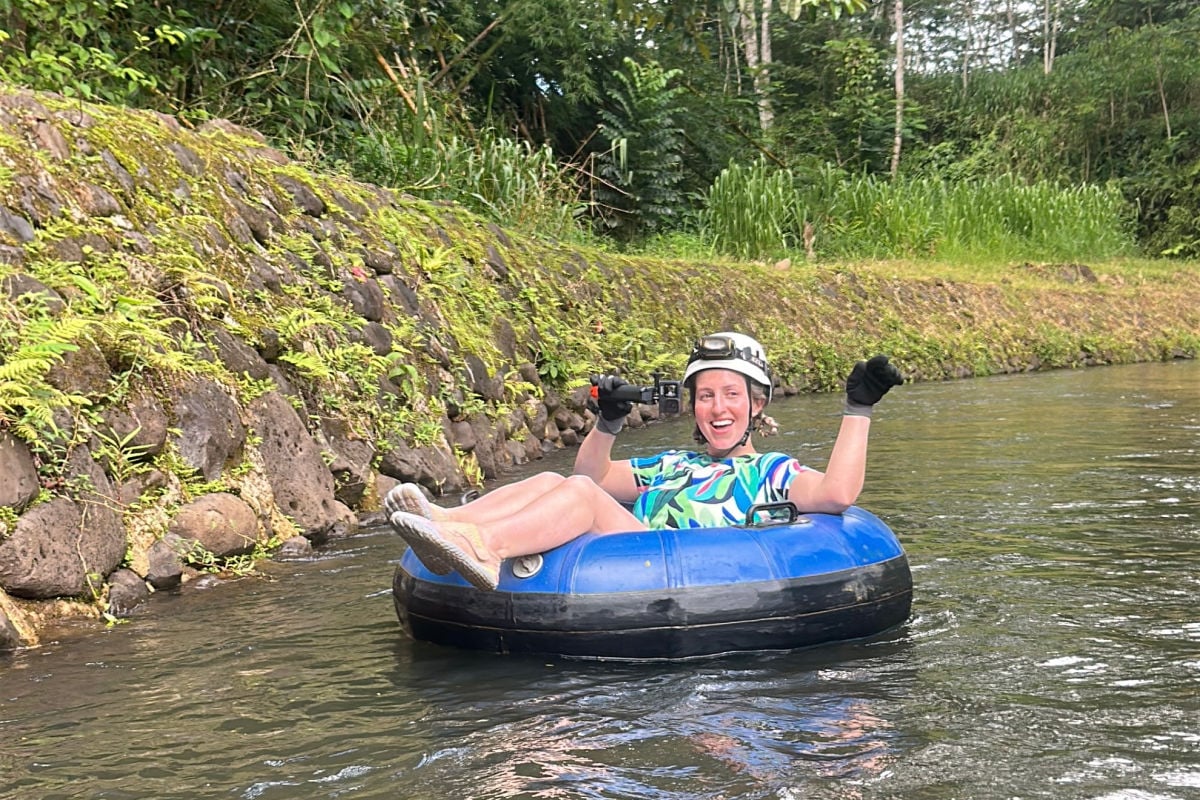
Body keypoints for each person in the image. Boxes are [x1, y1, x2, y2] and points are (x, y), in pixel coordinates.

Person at [386, 332, 903, 591]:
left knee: (582, 496)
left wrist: (857, 409)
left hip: (674, 568)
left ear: (757, 404)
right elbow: (590, 475)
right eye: (705, 396)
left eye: (730, 395)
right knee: (550, 476)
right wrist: (608, 421)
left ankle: (486, 547)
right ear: (692, 407)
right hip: (630, 554)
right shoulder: (674, 464)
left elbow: (837, 495)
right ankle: (449, 524)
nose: (717, 408)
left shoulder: (773, 473)